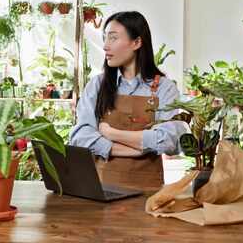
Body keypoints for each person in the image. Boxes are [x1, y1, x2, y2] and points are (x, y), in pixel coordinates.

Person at [69, 11, 187, 191]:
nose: (106, 46)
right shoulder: (97, 85)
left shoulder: (164, 88)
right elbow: (80, 136)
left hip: (147, 194)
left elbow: (169, 140)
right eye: (105, 38)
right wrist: (136, 149)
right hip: (100, 190)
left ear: (137, 42)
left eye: (113, 38)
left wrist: (110, 133)